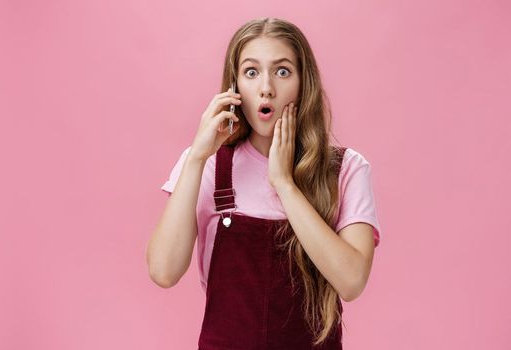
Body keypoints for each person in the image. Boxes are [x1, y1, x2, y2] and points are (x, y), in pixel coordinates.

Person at [146, 17, 382, 349]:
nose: (266, 87)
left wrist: (284, 184)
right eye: (251, 72)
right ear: (234, 86)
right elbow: (163, 271)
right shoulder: (208, 164)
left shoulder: (344, 169)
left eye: (282, 71)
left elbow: (352, 281)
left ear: (304, 83)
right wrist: (197, 157)